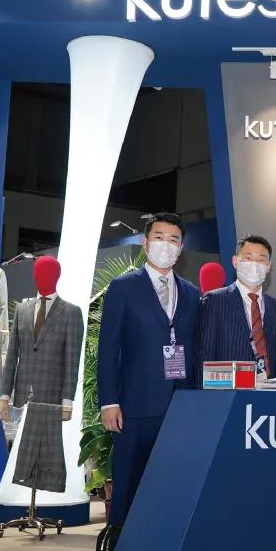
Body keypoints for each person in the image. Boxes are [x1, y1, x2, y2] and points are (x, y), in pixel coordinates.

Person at [97, 212, 200, 526]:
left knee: (170, 485)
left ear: (181, 248)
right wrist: (109, 401)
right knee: (128, 485)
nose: (165, 245)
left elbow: (194, 349)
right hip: (134, 407)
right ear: (145, 243)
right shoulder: (123, 288)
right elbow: (108, 348)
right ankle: (119, 549)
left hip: (179, 407)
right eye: (159, 237)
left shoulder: (191, 293)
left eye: (173, 240)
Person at [196, 234, 276, 379]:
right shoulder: (214, 301)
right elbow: (204, 358)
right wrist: (244, 379)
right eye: (248, 258)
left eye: (261, 260)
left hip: (270, 390)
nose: (254, 265)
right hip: (229, 391)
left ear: (269, 267)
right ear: (235, 261)